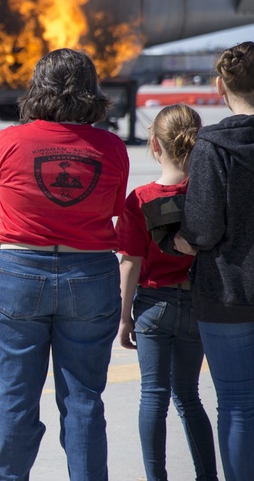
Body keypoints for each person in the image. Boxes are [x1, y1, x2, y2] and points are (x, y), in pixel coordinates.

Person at [0, 48, 130, 480]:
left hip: (18, 271)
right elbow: (115, 207)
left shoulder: (9, 140)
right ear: (91, 90)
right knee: (83, 399)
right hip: (89, 274)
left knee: (16, 395)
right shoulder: (111, 147)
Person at [116, 104, 217, 481]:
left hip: (152, 305)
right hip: (197, 304)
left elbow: (130, 261)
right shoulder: (207, 195)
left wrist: (124, 317)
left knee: (153, 396)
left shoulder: (139, 199)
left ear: (154, 145)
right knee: (189, 398)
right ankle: (208, 475)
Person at [175, 41, 254, 481]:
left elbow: (203, 229)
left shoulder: (213, 145)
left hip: (228, 293)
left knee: (239, 405)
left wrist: (183, 242)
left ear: (221, 85)